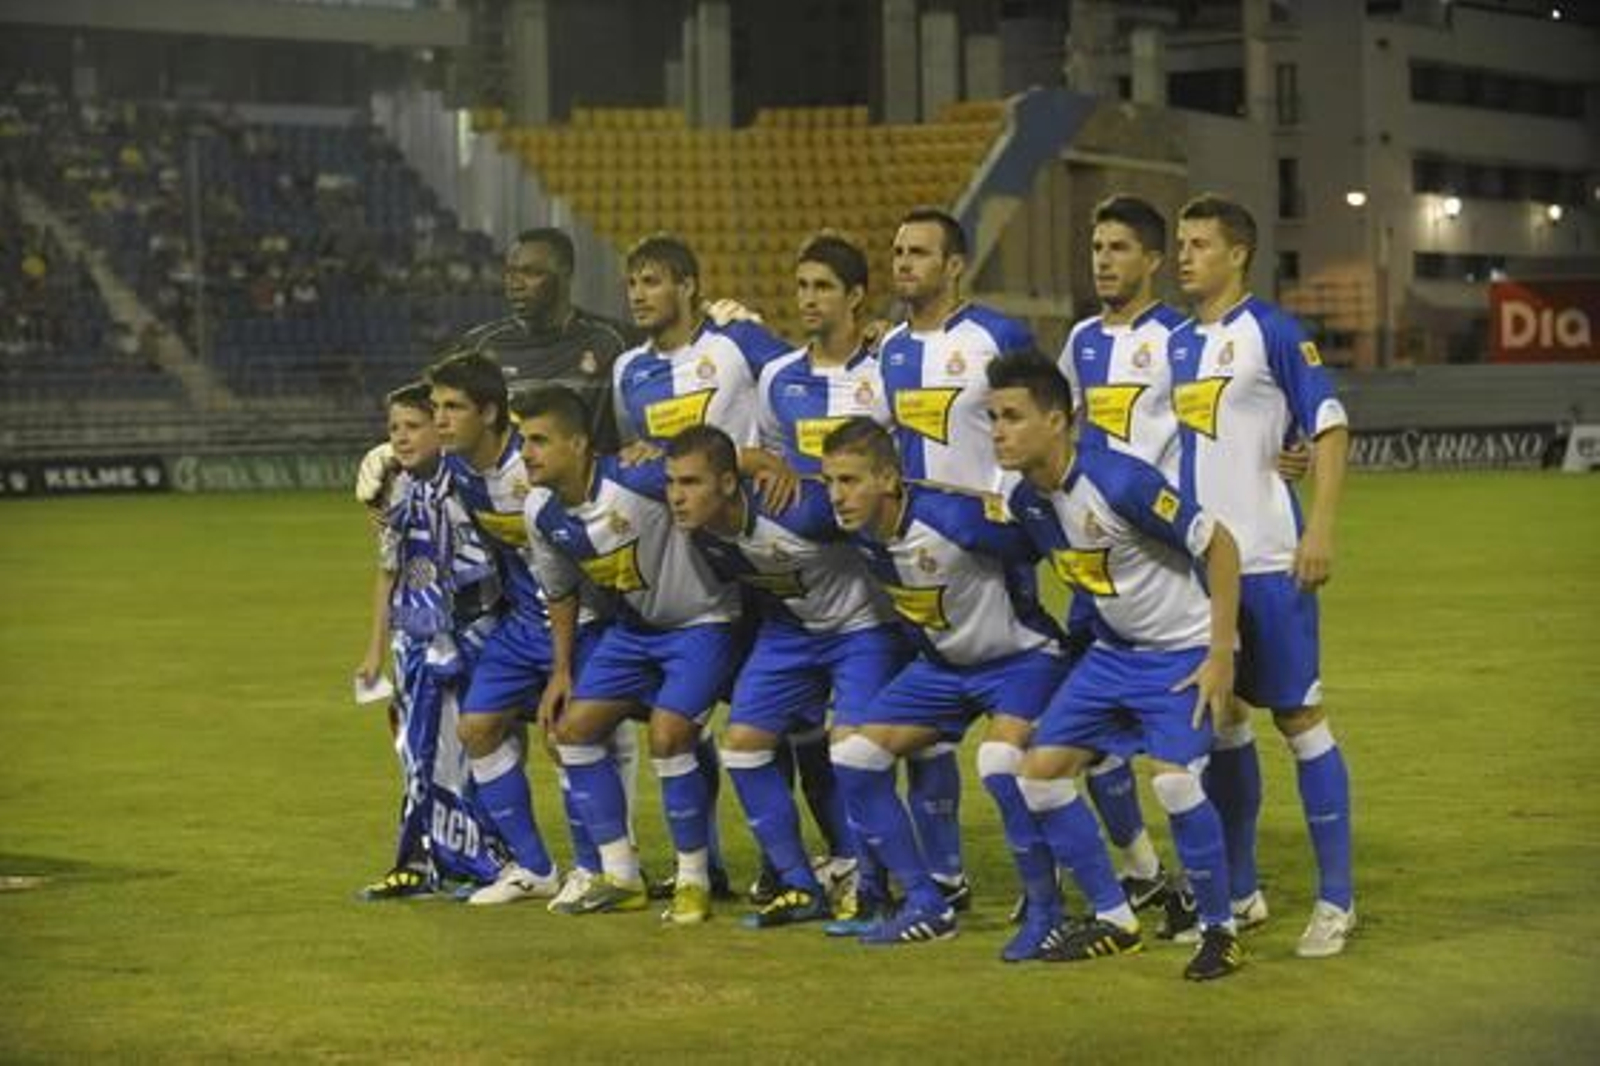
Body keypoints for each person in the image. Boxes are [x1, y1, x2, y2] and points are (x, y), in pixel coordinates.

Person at [988, 351, 1246, 980]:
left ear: (1057, 420)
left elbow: (1220, 546)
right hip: (1112, 656)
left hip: (1183, 651)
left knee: (1175, 783)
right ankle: (1116, 919)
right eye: (992, 418)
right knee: (1038, 777)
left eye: (1012, 417)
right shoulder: (1026, 499)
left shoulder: (1122, 481)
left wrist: (1220, 653)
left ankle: (1221, 930)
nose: (997, 432)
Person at [1171, 193, 1355, 957]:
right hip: (1197, 570)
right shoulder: (1176, 342)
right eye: (1180, 243)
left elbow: (1330, 424)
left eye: (1199, 243)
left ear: (1238, 252)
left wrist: (1320, 526)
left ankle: (1337, 901)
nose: (1185, 255)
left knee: (1299, 719)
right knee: (1220, 718)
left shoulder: (1273, 332)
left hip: (1271, 560)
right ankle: (1242, 893)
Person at [819, 418, 1068, 949]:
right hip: (942, 672)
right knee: (854, 758)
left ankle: (1048, 912)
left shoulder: (955, 519)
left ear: (889, 479)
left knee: (999, 763)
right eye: (830, 481)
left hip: (1021, 660)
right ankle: (927, 905)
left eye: (849, 480)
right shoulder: (857, 528)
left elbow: (1040, 540)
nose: (836, 496)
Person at [664, 424, 908, 928]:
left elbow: (884, 525)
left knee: (852, 752)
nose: (676, 496)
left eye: (689, 483)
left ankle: (871, 887)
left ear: (727, 484)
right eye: (671, 483)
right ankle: (799, 885)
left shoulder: (802, 508)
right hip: (791, 633)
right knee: (742, 746)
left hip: (863, 630)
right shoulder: (702, 531)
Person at [518, 386, 746, 925]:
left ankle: (693, 881)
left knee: (668, 735)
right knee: (571, 732)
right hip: (633, 631)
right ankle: (621, 876)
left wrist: (768, 465)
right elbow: (561, 593)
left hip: (703, 622)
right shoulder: (540, 512)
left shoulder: (640, 478)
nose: (526, 453)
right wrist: (561, 671)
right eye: (524, 441)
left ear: (578, 445)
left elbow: (719, 466)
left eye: (539, 440)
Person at [871, 209, 1038, 907]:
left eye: (919, 252)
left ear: (955, 265)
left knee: (1024, 707)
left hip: (991, 551)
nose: (903, 263)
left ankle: (1057, 865)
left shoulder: (997, 336)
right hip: (916, 556)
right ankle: (944, 872)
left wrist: (1006, 510)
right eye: (898, 251)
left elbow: (1040, 420)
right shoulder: (889, 350)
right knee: (929, 720)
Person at [353, 382, 506, 900]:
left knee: (461, 751)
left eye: (413, 426)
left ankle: (480, 857)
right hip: (410, 638)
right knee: (415, 754)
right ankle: (421, 859)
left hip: (463, 636)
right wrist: (376, 648)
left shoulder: (467, 486)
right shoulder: (398, 492)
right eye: (393, 428)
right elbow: (388, 570)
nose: (401, 437)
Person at [457, 227, 635, 452]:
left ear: (565, 273)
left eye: (530, 273)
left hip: (594, 473)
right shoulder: (478, 346)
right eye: (510, 273)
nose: (515, 285)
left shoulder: (614, 342)